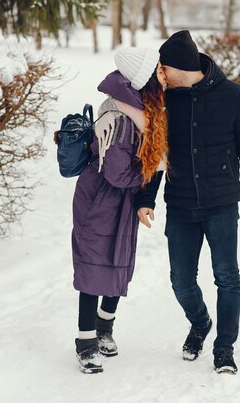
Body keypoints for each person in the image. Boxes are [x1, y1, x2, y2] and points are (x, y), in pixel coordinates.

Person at [135, 30, 240, 374]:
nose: (159, 74)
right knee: (181, 280)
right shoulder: (166, 100)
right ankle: (200, 323)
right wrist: (145, 198)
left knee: (226, 277)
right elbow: (158, 152)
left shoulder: (234, 96)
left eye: (163, 67)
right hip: (180, 205)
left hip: (221, 203)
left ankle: (224, 348)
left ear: (177, 66)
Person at [71, 47, 168, 374]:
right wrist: (152, 168)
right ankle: (85, 343)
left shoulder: (142, 112)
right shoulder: (120, 119)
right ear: (142, 80)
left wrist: (151, 167)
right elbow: (117, 173)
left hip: (121, 202)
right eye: (157, 72)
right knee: (93, 268)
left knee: (118, 261)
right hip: (100, 203)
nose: (162, 77)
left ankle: (104, 329)